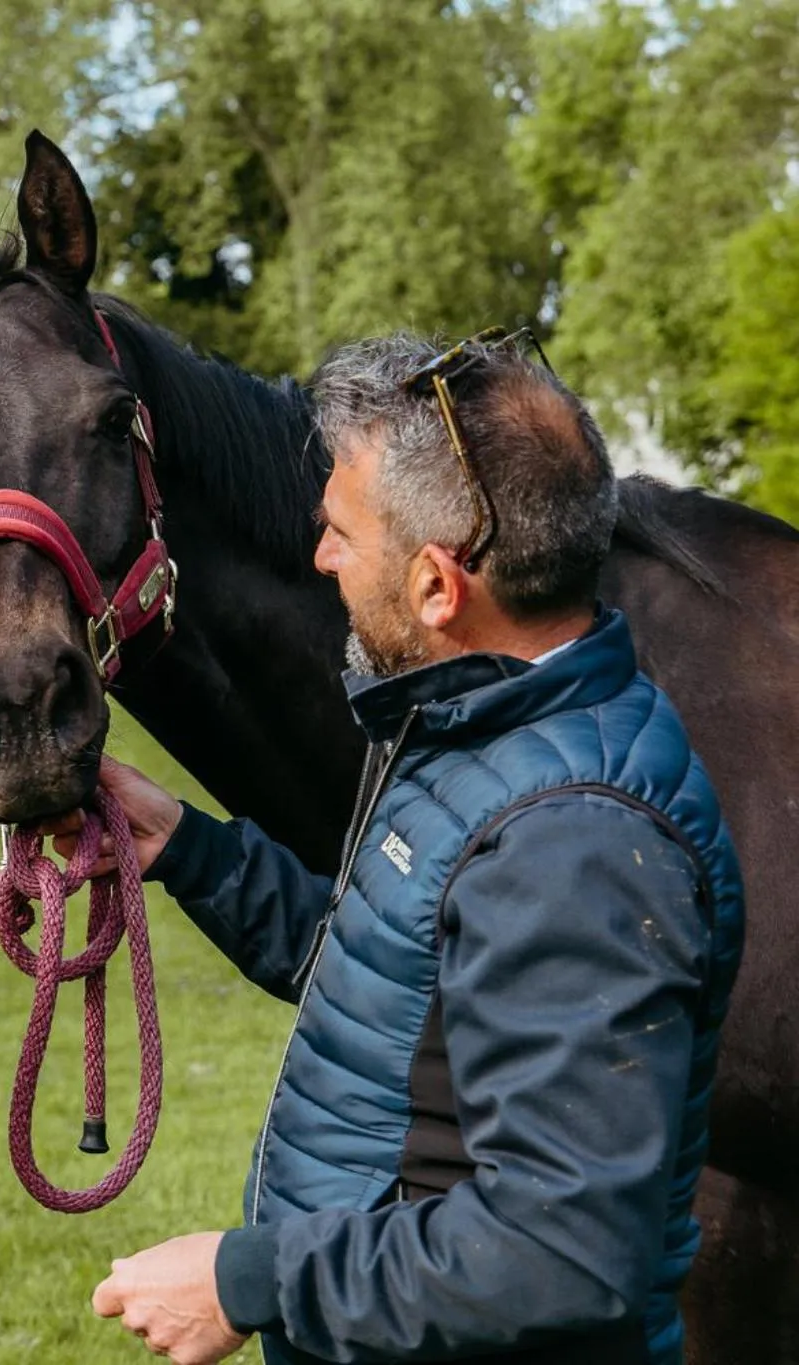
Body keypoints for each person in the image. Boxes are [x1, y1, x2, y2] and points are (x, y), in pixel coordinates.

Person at [81, 332, 744, 1364]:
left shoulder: (573, 841)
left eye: (340, 529)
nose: (319, 557)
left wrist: (246, 1278)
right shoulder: (482, 731)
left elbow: (562, 1253)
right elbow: (398, 990)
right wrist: (182, 847)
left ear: (438, 587)